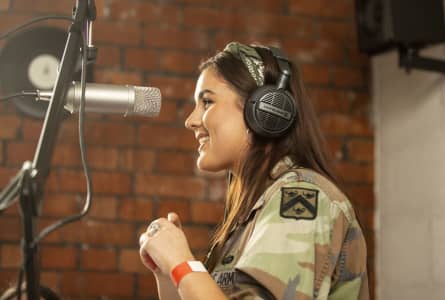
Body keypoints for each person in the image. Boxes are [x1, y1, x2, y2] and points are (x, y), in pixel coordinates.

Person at [138, 41, 369, 300]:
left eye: (207, 102)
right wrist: (169, 273)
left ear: (264, 111)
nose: (191, 120)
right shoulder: (255, 211)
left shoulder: (299, 200)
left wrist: (181, 263)